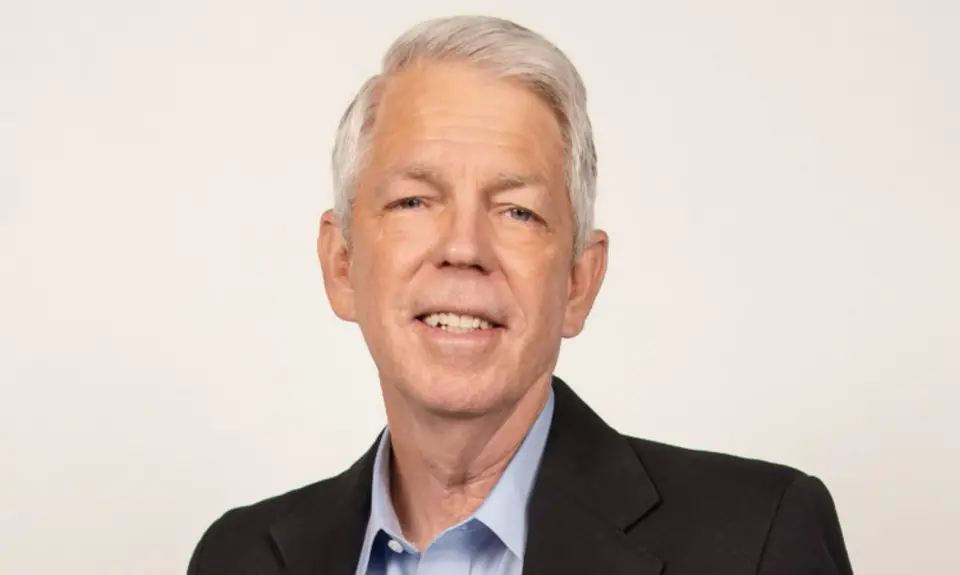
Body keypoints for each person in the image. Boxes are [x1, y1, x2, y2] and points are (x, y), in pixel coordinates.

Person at [187, 15, 853, 575]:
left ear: (579, 281)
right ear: (341, 264)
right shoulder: (238, 557)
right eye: (414, 200)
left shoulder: (760, 540)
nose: (463, 246)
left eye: (517, 211)